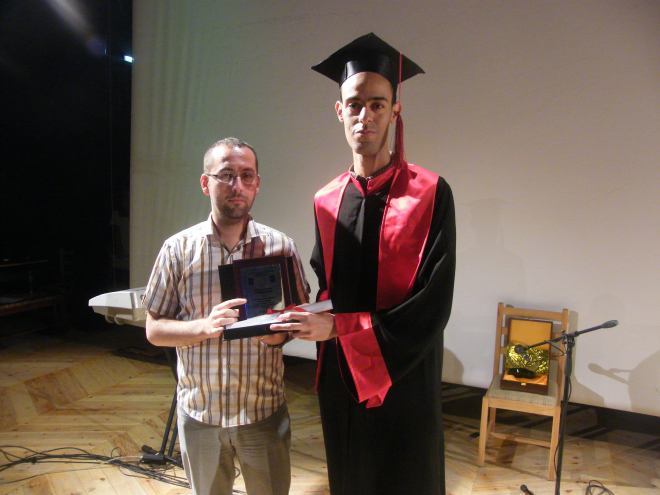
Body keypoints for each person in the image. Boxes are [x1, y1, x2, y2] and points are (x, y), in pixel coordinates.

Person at [271, 33, 456, 495]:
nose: (365, 115)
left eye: (378, 105)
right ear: (339, 111)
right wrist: (292, 316)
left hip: (405, 378)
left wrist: (340, 328)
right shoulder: (326, 200)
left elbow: (433, 305)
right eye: (355, 104)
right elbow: (328, 290)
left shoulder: (430, 194)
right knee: (350, 477)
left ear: (395, 111)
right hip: (343, 380)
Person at [143, 137, 310, 495]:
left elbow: (296, 319)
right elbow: (154, 330)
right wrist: (203, 327)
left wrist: (276, 334)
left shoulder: (280, 247)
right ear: (206, 183)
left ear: (257, 184)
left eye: (247, 176)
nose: (238, 185)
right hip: (201, 415)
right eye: (226, 175)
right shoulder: (177, 250)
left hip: (262, 412)